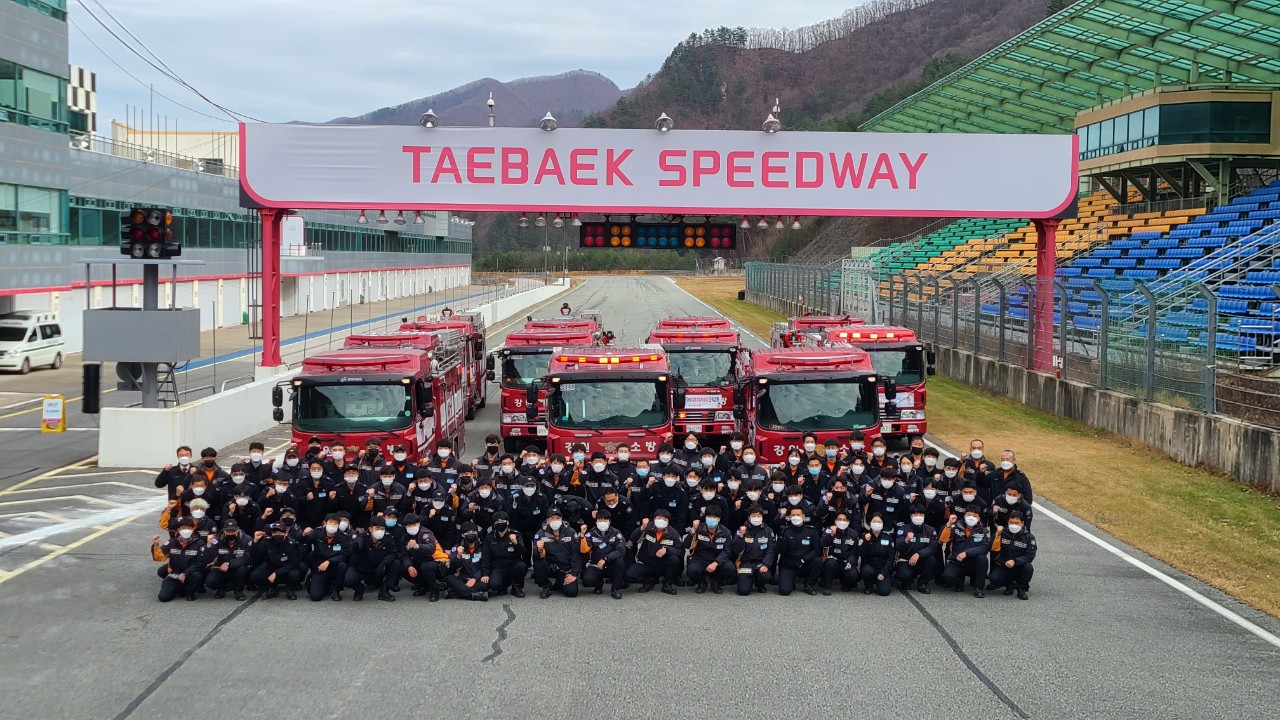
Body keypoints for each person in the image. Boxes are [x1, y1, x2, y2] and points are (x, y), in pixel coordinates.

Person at [151, 518, 211, 602]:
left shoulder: (199, 543)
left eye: (188, 528)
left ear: (193, 529)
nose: (186, 530)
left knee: (197, 575)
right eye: (183, 528)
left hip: (190, 573)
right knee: (163, 597)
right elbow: (160, 557)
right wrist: (156, 545)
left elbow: (201, 563)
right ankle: (180, 588)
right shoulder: (172, 542)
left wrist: (185, 573)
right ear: (179, 529)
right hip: (175, 574)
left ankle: (190, 592)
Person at [626, 509, 683, 595]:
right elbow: (633, 539)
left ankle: (667, 584)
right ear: (654, 519)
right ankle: (648, 581)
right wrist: (642, 527)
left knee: (674, 559)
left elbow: (680, 550)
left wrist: (667, 550)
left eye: (664, 519)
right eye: (659, 518)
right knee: (629, 575)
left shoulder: (673, 533)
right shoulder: (647, 527)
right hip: (645, 563)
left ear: (668, 521)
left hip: (661, 564)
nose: (661, 521)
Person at [939, 508, 992, 598]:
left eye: (975, 516)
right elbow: (943, 540)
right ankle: (959, 583)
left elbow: (984, 548)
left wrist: (967, 553)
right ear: (964, 516)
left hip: (973, 562)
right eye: (969, 515)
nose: (971, 517)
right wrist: (949, 524)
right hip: (957, 561)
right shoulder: (955, 526)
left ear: (979, 518)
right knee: (947, 576)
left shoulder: (984, 531)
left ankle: (978, 588)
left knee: (983, 559)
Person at [346, 518, 400, 602]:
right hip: (362, 568)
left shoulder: (388, 538)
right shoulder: (363, 537)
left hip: (378, 568)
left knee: (396, 563)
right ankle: (359, 589)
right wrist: (355, 546)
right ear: (370, 529)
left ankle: (384, 591)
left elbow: (392, 553)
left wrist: (384, 563)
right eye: (377, 528)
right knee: (348, 579)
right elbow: (357, 545)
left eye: (382, 529)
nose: (380, 531)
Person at [533, 508, 581, 598]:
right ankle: (546, 586)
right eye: (552, 518)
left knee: (572, 592)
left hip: (564, 567)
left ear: (562, 519)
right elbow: (535, 556)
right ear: (547, 521)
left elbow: (576, 554)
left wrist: (574, 574)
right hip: (549, 566)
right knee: (539, 564)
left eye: (557, 518)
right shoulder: (541, 533)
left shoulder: (570, 532)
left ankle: (559, 583)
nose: (555, 520)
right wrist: (539, 549)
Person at [685, 507, 734, 594]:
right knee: (692, 570)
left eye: (714, 517)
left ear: (719, 519)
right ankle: (702, 582)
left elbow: (727, 551)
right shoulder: (698, 528)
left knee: (730, 568)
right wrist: (693, 531)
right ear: (705, 518)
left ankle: (716, 581)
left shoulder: (725, 532)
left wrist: (716, 563)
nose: (711, 519)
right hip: (700, 558)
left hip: (717, 559)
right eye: (709, 517)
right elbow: (686, 545)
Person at [988, 511, 1036, 599]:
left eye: (1016, 523)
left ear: (1022, 523)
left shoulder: (1029, 537)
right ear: (1008, 522)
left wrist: (1015, 561)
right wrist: (997, 534)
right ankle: (1010, 584)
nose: (1013, 525)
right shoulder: (1003, 533)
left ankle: (1021, 588)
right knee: (994, 579)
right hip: (1004, 564)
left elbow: (1030, 555)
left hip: (1019, 565)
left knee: (1028, 567)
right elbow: (991, 548)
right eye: (1011, 522)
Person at [731, 505, 777, 596]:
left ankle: (759, 584)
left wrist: (766, 564)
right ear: (749, 517)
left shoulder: (768, 531)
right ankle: (748, 579)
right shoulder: (741, 530)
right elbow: (736, 550)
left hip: (761, 562)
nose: (756, 518)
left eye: (758, 516)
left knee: (766, 576)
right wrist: (741, 536)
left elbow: (771, 549)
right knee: (743, 591)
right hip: (746, 563)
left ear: (762, 517)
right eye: (753, 516)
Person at [401, 512, 449, 600]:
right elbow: (404, 555)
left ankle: (434, 590)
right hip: (422, 560)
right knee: (402, 567)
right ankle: (424, 585)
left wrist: (417, 546)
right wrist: (409, 566)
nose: (412, 528)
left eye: (414, 525)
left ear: (419, 524)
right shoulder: (405, 537)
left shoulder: (425, 533)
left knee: (425, 566)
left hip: (440, 562)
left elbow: (431, 548)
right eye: (409, 526)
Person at [580, 509, 627, 599]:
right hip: (595, 564)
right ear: (596, 521)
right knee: (588, 580)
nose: (602, 523)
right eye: (600, 520)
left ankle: (615, 589)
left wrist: (606, 558)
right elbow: (584, 550)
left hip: (611, 563)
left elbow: (621, 550)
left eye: (605, 520)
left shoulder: (616, 533)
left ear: (609, 522)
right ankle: (599, 583)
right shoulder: (591, 533)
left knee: (620, 563)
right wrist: (582, 535)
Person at [895, 505, 941, 594]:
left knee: (931, 559)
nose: (918, 517)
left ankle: (922, 583)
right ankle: (907, 580)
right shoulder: (903, 529)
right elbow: (899, 547)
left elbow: (933, 547)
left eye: (921, 514)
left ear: (924, 516)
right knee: (905, 577)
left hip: (921, 559)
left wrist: (919, 554)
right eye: (915, 514)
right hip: (906, 559)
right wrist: (906, 540)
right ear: (911, 516)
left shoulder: (930, 530)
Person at [776, 506, 822, 596]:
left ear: (803, 516)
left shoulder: (812, 531)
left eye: (798, 515)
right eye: (793, 515)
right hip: (789, 564)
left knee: (818, 561)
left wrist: (804, 560)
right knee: (784, 591)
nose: (796, 517)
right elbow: (780, 551)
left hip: (805, 563)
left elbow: (817, 550)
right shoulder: (785, 531)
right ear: (789, 517)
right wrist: (780, 537)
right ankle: (791, 581)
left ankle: (809, 584)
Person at [249, 522, 302, 600]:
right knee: (255, 575)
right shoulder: (267, 542)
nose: (277, 535)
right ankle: (271, 588)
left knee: (295, 574)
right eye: (275, 533)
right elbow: (255, 555)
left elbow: (293, 563)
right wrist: (255, 541)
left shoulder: (292, 544)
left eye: (280, 533)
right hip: (271, 566)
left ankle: (290, 589)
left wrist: (276, 573)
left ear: (286, 533)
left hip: (286, 568)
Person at [306, 513, 351, 601]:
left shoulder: (344, 537)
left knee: (342, 565)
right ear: (325, 523)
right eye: (330, 522)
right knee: (315, 596)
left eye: (336, 523)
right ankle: (312, 580)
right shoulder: (317, 533)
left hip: (334, 566)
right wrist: (304, 534)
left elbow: (344, 555)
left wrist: (329, 561)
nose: (333, 525)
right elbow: (305, 541)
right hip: (320, 567)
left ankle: (336, 590)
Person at [482, 512, 528, 598]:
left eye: (503, 521)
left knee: (521, 566)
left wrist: (515, 542)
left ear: (508, 522)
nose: (500, 523)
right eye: (497, 521)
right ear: (494, 524)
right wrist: (485, 574)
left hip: (513, 563)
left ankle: (516, 587)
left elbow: (523, 552)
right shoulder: (489, 537)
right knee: (494, 585)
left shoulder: (516, 534)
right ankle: (504, 585)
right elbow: (485, 557)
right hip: (498, 566)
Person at [205, 519, 252, 600]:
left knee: (242, 569)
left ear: (238, 530)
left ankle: (238, 591)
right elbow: (209, 558)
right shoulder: (216, 540)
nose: (230, 533)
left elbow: (247, 558)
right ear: (224, 531)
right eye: (228, 531)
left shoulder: (247, 539)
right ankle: (222, 588)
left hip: (237, 567)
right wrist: (209, 545)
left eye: (233, 531)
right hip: (221, 568)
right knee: (210, 582)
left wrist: (229, 563)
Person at [445, 522, 490, 602]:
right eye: (468, 532)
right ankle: (473, 595)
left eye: (473, 532)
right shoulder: (456, 547)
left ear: (477, 533)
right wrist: (458, 555)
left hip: (477, 578)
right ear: (463, 535)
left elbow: (486, 564)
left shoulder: (483, 547)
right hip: (462, 578)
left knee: (486, 583)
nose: (471, 534)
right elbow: (452, 568)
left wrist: (474, 578)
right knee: (449, 579)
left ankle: (457, 593)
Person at [820, 510, 861, 595]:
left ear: (848, 522)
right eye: (839, 519)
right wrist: (831, 535)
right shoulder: (829, 530)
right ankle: (827, 587)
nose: (842, 521)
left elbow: (854, 552)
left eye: (844, 520)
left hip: (845, 562)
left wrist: (850, 562)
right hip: (832, 562)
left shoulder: (854, 534)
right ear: (835, 520)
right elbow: (823, 544)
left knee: (854, 576)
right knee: (830, 563)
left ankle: (845, 582)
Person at [858, 512, 895, 597]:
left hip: (882, 568)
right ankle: (868, 585)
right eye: (874, 521)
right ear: (870, 523)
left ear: (883, 524)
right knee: (866, 571)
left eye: (879, 522)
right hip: (869, 567)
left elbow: (890, 558)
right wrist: (866, 542)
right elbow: (860, 553)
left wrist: (883, 573)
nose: (876, 524)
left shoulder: (888, 538)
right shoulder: (864, 536)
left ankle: (885, 580)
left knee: (884, 592)